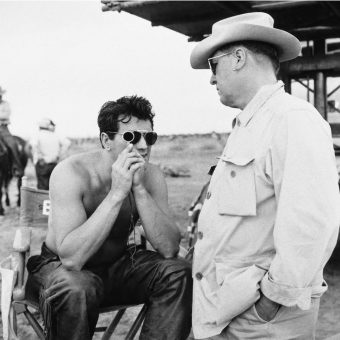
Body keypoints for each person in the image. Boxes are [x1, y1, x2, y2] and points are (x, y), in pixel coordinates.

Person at [189, 12, 340, 340]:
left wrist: (272, 300)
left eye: (214, 66)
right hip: (231, 311)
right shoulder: (251, 124)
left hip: (260, 321)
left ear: (238, 57)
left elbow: (312, 223)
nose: (211, 79)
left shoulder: (292, 119)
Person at [25, 95, 192, 340]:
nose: (144, 146)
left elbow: (169, 248)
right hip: (60, 270)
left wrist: (140, 191)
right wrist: (116, 193)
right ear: (106, 140)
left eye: (150, 137)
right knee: (77, 287)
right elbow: (71, 259)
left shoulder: (151, 176)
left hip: (117, 265)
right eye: (132, 137)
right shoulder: (72, 173)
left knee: (178, 271)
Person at [29, 117, 70, 190]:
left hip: (42, 164)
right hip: (54, 164)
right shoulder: (55, 135)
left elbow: (33, 146)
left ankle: (43, 201)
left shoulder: (37, 135)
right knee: (52, 187)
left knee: (42, 188)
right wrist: (59, 156)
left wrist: (39, 157)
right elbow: (67, 143)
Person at [0, 86, 24, 176]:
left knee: (12, 144)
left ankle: (16, 167)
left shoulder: (5, 104)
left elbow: (6, 114)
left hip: (2, 128)